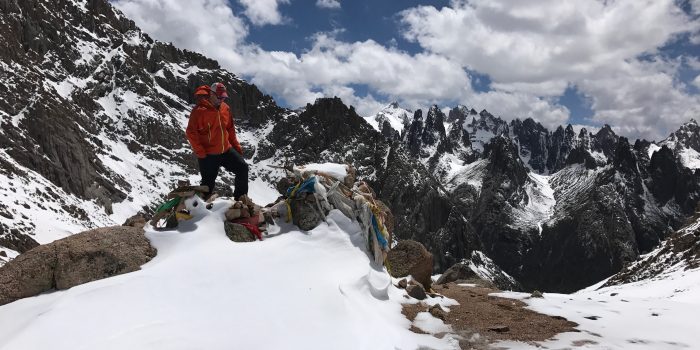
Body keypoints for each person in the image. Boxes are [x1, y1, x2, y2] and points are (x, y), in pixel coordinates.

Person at [186, 83, 248, 201]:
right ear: (212, 94)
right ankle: (202, 213)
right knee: (207, 186)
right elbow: (191, 132)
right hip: (208, 155)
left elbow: (230, 129)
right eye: (220, 97)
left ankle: (241, 201)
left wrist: (236, 146)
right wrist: (201, 152)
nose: (222, 100)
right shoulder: (199, 111)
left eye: (224, 97)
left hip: (226, 150)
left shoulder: (225, 108)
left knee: (243, 168)